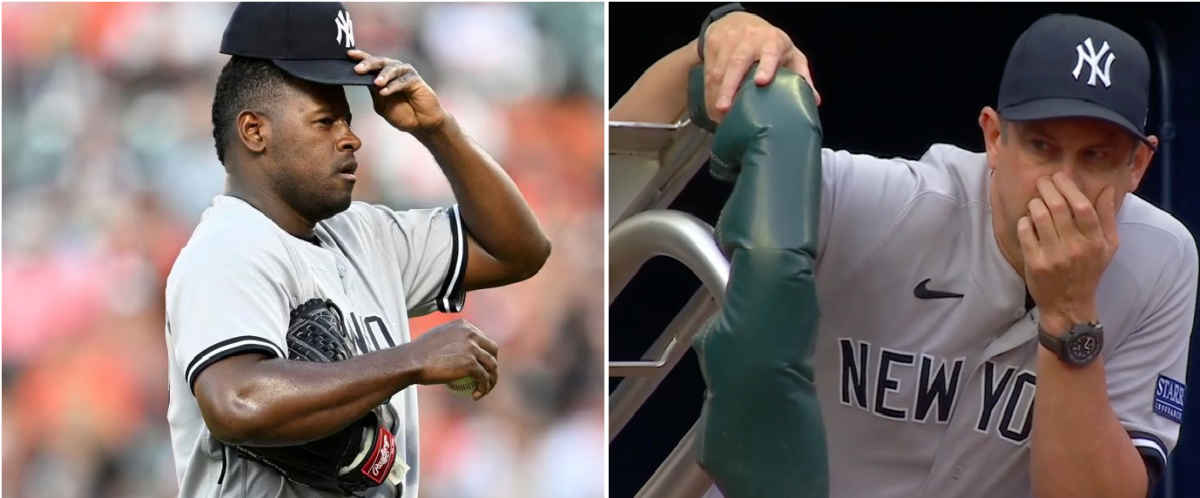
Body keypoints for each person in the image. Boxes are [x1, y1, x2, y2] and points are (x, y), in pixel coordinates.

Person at [613, 6, 1196, 498]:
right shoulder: (873, 202)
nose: (1061, 185)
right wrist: (708, 43)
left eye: (1095, 157)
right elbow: (602, 194)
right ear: (995, 138)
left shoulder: (1163, 259)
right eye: (1042, 147)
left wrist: (1071, 318)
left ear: (1137, 166)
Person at [165, 3, 551, 498]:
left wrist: (438, 130)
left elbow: (520, 250)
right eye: (325, 122)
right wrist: (410, 360)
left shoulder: (365, 234)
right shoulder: (227, 248)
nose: (351, 138)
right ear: (254, 131)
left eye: (347, 120)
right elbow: (237, 402)